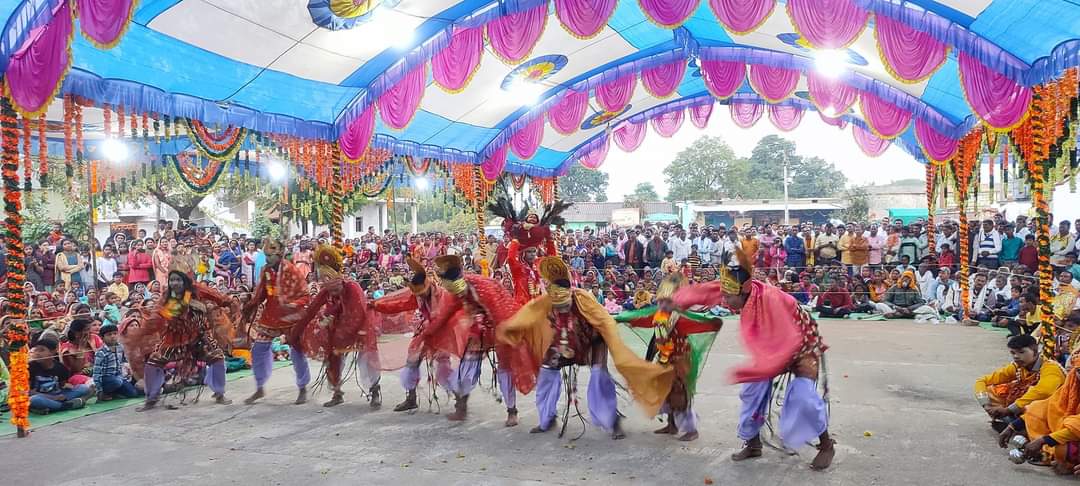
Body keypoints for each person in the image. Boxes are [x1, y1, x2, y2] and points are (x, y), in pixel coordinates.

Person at [672, 249, 835, 469]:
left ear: (743, 292)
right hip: (771, 348)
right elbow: (707, 291)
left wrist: (765, 367)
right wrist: (674, 301)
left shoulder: (771, 299)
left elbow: (788, 338)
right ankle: (753, 443)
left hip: (800, 346)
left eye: (729, 297)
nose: (726, 300)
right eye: (725, 295)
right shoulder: (738, 289)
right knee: (752, 391)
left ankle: (826, 445)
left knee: (803, 397)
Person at [500, 257, 669, 440]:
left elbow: (605, 320)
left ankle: (612, 421)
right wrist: (510, 328)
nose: (561, 308)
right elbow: (529, 312)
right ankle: (547, 419)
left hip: (592, 342)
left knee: (599, 377)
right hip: (564, 342)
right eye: (558, 306)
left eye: (564, 305)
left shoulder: (582, 298)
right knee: (547, 371)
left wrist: (614, 346)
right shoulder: (548, 298)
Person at [615, 273, 723, 441]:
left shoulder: (681, 318)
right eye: (660, 301)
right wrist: (625, 320)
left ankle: (691, 429)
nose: (663, 305)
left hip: (680, 360)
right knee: (664, 391)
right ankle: (671, 424)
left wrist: (712, 324)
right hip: (665, 359)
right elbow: (642, 318)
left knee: (680, 394)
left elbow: (701, 324)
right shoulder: (659, 316)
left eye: (667, 302)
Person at [428, 254, 533, 425]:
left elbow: (500, 313)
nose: (459, 295)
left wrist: (501, 336)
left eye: (459, 291)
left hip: (503, 325)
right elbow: (445, 314)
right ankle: (461, 407)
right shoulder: (457, 291)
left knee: (504, 368)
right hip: (478, 329)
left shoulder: (485, 287)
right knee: (466, 367)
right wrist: (430, 332)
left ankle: (511, 411)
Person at [134, 256, 236, 411]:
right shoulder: (167, 295)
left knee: (217, 358)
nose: (174, 283)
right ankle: (151, 398)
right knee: (153, 363)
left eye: (178, 280)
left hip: (199, 335)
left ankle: (219, 393)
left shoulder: (197, 289)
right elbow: (157, 315)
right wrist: (144, 329)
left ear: (186, 280)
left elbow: (219, 297)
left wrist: (228, 303)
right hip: (173, 337)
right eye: (172, 280)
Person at [291, 245, 382, 408]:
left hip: (360, 328)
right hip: (338, 332)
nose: (330, 289)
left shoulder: (352, 287)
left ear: (339, 280)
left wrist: (337, 327)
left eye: (333, 286)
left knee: (367, 359)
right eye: (325, 283)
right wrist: (295, 332)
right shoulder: (326, 291)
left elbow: (358, 314)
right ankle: (337, 393)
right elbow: (311, 311)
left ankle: (375, 391)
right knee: (332, 358)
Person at [370, 257, 454, 412]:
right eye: (418, 294)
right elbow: (400, 304)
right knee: (411, 362)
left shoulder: (442, 295)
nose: (420, 296)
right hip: (424, 332)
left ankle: (460, 398)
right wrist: (377, 305)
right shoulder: (418, 296)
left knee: (443, 367)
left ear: (428, 285)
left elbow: (443, 318)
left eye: (422, 293)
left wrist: (429, 330)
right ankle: (411, 398)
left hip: (442, 332)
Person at [241, 239, 313, 405]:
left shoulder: (292, 270)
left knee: (297, 352)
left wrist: (292, 305)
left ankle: (302, 387)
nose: (267, 259)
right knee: (258, 349)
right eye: (265, 255)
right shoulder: (266, 270)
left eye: (270, 256)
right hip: (271, 317)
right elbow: (262, 293)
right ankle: (260, 387)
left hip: (291, 317)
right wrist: (250, 304)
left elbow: (305, 295)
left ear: (280, 255)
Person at [976, 334, 1064, 436]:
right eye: (1013, 353)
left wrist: (1009, 409)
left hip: (1051, 411)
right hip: (1022, 409)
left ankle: (1023, 429)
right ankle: (1015, 424)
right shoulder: (1017, 366)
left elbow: (1043, 392)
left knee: (1035, 403)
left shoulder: (1051, 368)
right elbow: (981, 381)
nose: (1016, 356)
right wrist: (986, 405)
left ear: (1035, 352)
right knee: (991, 391)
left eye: (1022, 352)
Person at [1015, 346, 1080, 473]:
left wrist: (1043, 440)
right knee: (1035, 408)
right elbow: (1047, 405)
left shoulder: (1051, 369)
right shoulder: (1072, 383)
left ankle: (1059, 458)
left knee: (1063, 449)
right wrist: (1014, 425)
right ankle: (1047, 453)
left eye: (1022, 352)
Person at [29, 336, 93, 414]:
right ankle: (65, 406)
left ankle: (51, 407)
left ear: (53, 352)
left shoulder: (60, 368)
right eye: (36, 350)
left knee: (83, 388)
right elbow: (29, 392)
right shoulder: (30, 367)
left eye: (41, 350)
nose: (37, 353)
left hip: (59, 395)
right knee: (34, 400)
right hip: (43, 396)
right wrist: (54, 398)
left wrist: (68, 386)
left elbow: (62, 385)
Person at [92, 323, 141, 401]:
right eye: (109, 335)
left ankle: (115, 392)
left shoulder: (120, 347)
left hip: (119, 377)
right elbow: (96, 373)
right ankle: (106, 393)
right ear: (102, 337)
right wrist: (99, 390)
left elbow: (121, 363)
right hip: (106, 379)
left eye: (115, 334)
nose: (112, 336)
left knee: (133, 393)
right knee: (116, 381)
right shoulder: (101, 352)